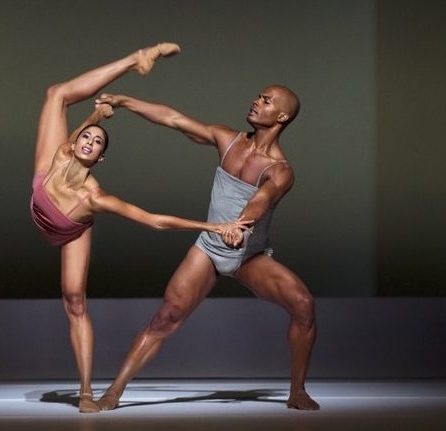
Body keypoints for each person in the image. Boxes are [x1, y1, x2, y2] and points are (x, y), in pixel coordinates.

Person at [30, 43, 251, 413]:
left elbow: (154, 220)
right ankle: (136, 58)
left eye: (97, 142)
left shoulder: (95, 197)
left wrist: (216, 225)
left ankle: (86, 390)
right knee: (56, 94)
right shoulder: (62, 153)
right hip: (43, 191)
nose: (89, 141)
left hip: (70, 227)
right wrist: (96, 116)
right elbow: (80, 127)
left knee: (74, 300)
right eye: (87, 136)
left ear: (101, 158)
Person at [94, 84, 320, 411]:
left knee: (303, 305)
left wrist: (240, 226)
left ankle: (297, 391)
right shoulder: (227, 139)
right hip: (209, 250)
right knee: (165, 319)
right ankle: (114, 392)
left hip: (248, 256)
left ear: (281, 116)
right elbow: (173, 119)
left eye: (266, 101)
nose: (256, 102)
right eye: (257, 95)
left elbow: (261, 200)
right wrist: (125, 100)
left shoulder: (280, 170)